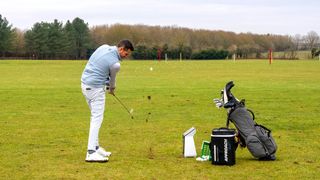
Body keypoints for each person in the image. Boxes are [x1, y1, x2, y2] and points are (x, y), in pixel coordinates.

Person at [81, 40, 134, 162]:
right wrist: (111, 89)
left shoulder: (104, 47)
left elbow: (98, 65)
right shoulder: (116, 64)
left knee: (95, 116)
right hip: (95, 89)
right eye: (126, 54)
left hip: (84, 85)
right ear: (121, 49)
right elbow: (112, 81)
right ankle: (91, 152)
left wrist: (107, 84)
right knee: (96, 119)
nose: (126, 57)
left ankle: (95, 147)